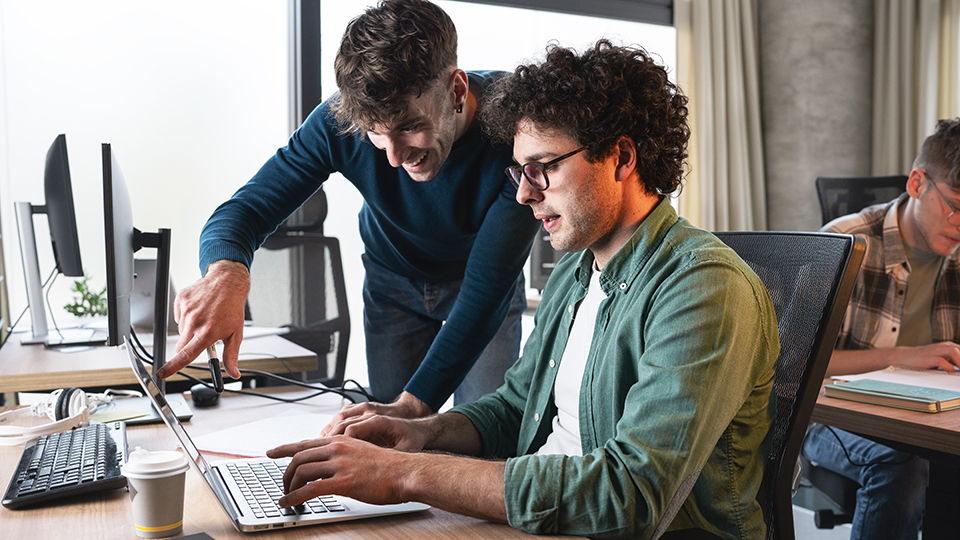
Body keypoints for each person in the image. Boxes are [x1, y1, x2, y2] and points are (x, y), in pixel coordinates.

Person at [264, 40, 780, 539]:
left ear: (622, 158)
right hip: (539, 523)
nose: (523, 193)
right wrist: (420, 435)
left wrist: (406, 474)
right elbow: (515, 409)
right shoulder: (576, 274)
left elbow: (628, 495)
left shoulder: (703, 289)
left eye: (543, 169)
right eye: (519, 170)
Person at [155, 0, 541, 417]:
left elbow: (484, 291)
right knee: (386, 447)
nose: (394, 158)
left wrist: (411, 408)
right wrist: (226, 272)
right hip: (391, 282)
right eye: (377, 133)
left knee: (483, 431)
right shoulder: (339, 121)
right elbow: (246, 209)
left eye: (410, 126)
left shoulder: (517, 132)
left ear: (457, 90)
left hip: (481, 284)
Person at [802, 118, 960, 539]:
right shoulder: (843, 243)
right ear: (916, 183)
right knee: (903, 462)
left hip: (933, 415)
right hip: (830, 420)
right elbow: (792, 364)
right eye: (956, 207)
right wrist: (898, 357)